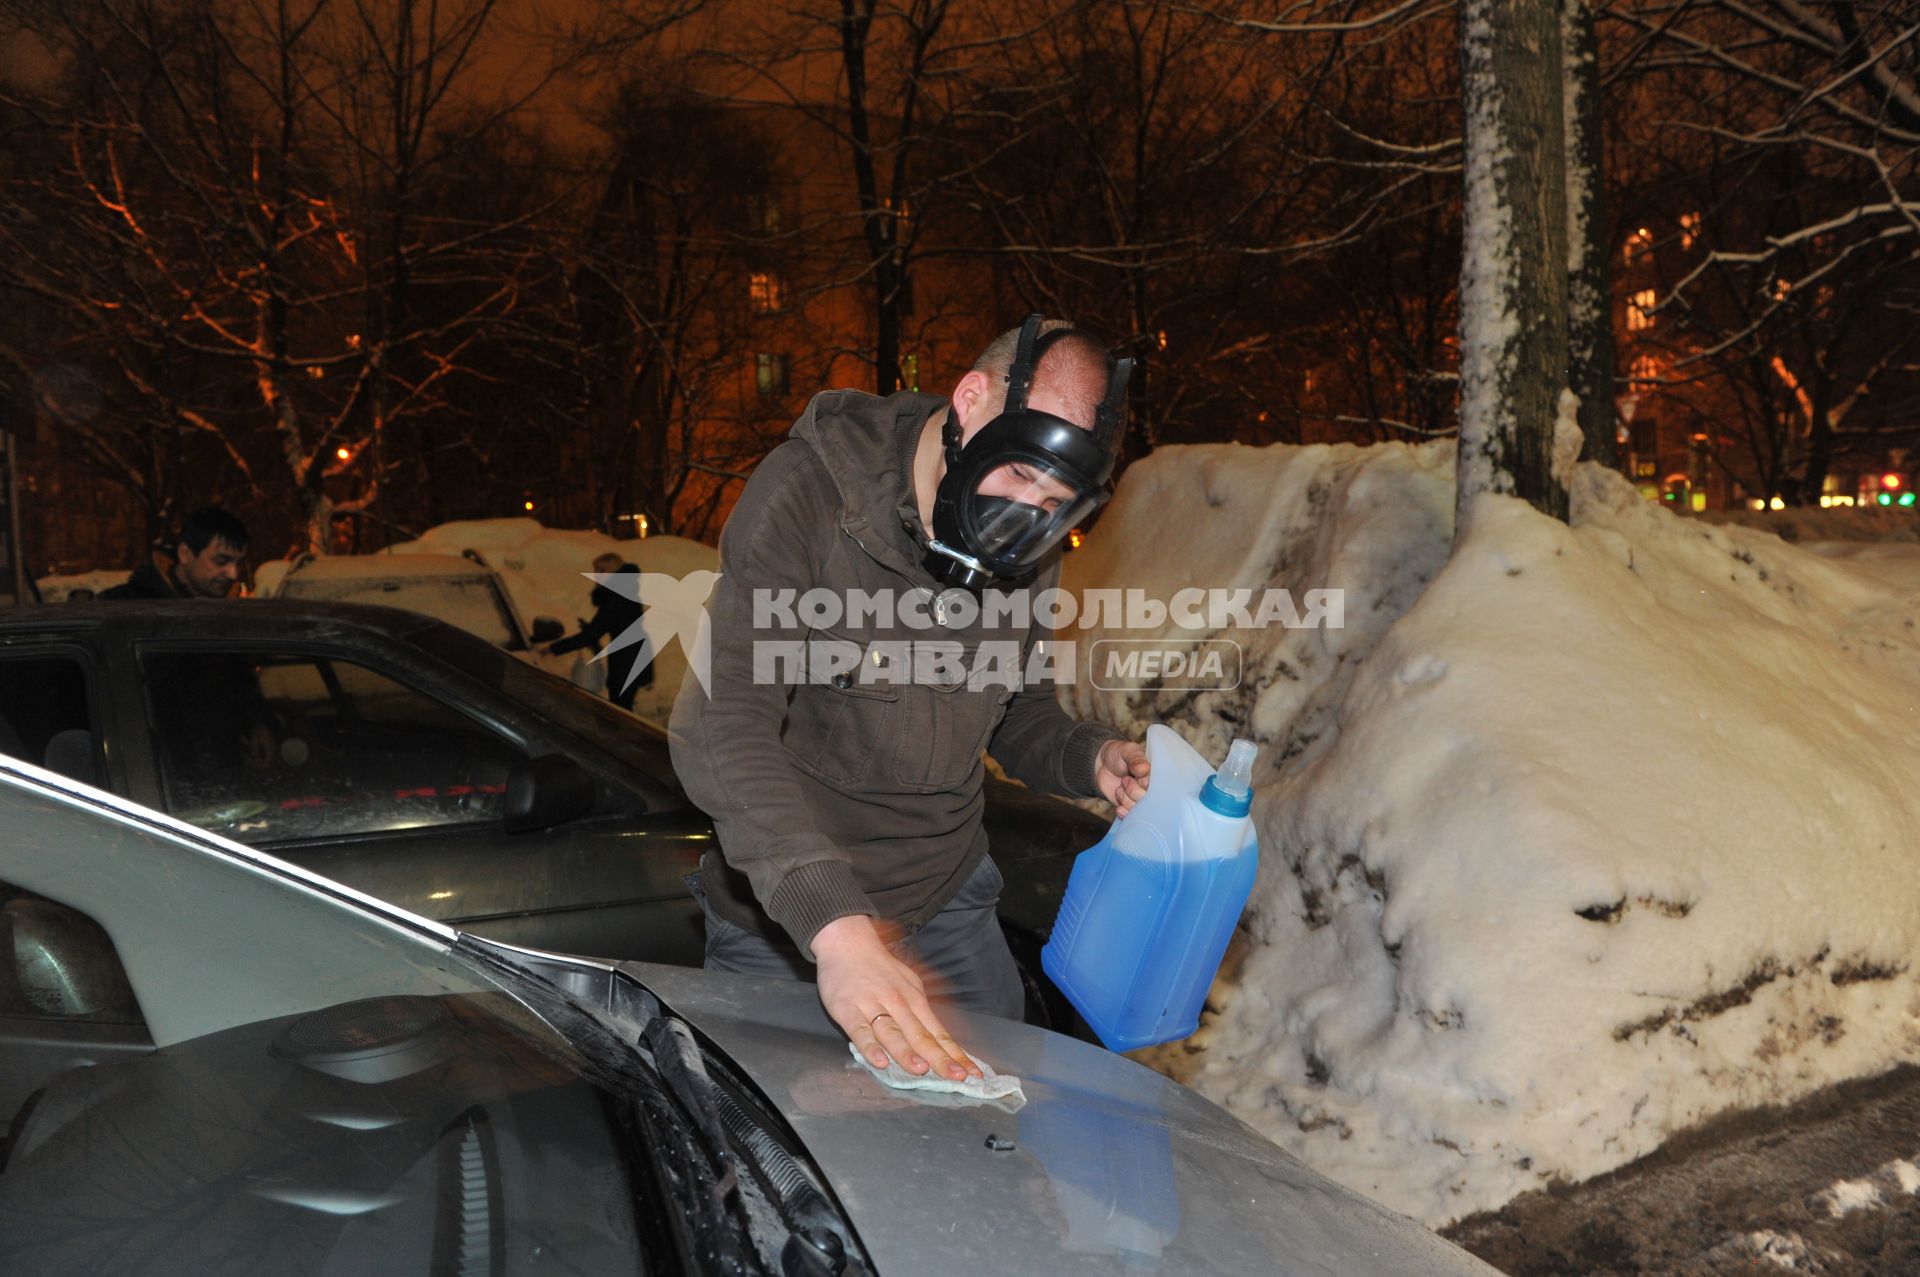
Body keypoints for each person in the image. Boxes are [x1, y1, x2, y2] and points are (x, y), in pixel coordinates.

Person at [670, 316, 1152, 1084]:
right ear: (970, 402)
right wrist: (837, 929)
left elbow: (1018, 708)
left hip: (947, 898)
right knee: (777, 1164)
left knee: (992, 1143)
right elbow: (726, 724)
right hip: (785, 915)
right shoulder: (808, 495)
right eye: (1020, 474)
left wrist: (1087, 755)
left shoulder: (1027, 544)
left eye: (1054, 501)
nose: (1026, 514)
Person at [546, 552, 652, 710]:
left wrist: (553, 649)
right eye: (596, 570)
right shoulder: (624, 590)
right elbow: (609, 624)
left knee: (620, 712)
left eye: (602, 571)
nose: (597, 575)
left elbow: (595, 632)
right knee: (622, 708)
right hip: (631, 655)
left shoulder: (617, 596)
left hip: (628, 659)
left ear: (614, 572)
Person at [99, 508, 250, 600]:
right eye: (221, 561)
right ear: (185, 554)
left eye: (239, 563)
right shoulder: (122, 606)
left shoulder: (239, 615)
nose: (233, 574)